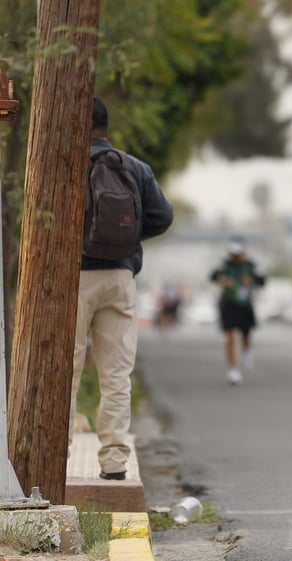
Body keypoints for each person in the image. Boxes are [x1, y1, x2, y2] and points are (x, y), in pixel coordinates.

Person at [70, 96, 174, 481]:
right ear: (105, 127)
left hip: (74, 277)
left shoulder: (67, 166)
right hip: (120, 277)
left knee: (68, 369)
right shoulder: (134, 167)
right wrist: (126, 239)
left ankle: (57, 455)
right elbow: (164, 216)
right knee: (116, 374)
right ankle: (113, 462)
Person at [209, 238, 265, 385]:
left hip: (245, 304)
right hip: (228, 303)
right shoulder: (225, 265)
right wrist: (223, 279)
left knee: (245, 335)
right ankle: (233, 370)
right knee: (230, 336)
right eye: (233, 255)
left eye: (238, 254)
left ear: (244, 253)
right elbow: (213, 276)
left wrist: (251, 281)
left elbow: (262, 280)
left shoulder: (251, 266)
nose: (236, 257)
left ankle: (246, 351)